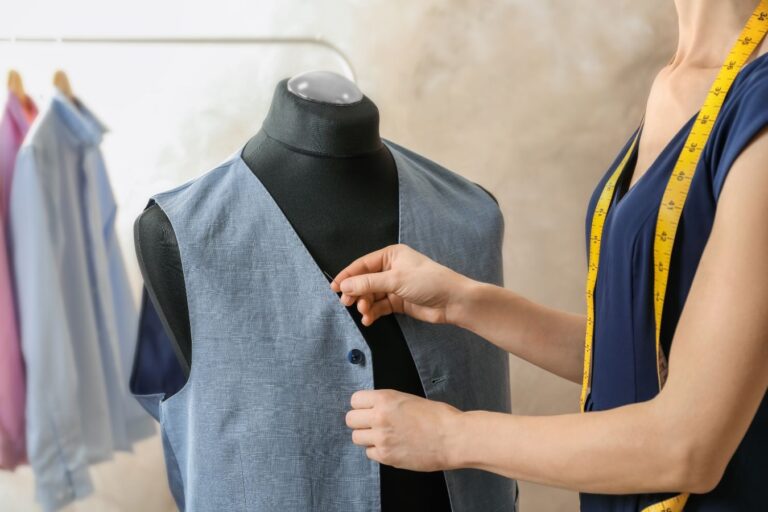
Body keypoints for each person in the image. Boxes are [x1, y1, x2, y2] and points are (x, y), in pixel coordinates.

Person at [333, 0, 768, 509]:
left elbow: (688, 446)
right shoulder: (677, 82)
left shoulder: (758, 103)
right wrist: (464, 301)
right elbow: (644, 361)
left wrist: (450, 436)